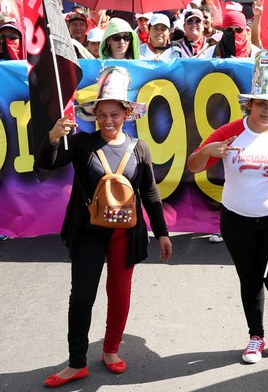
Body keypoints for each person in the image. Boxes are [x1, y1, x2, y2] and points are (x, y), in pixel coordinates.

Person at [36, 66, 172, 388]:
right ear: (94, 115)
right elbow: (45, 164)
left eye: (114, 114)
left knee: (119, 294)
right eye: (102, 115)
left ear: (126, 113)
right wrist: (53, 137)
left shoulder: (139, 148)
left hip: (126, 234)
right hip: (88, 233)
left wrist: (162, 232)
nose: (108, 121)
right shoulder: (81, 143)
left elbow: (150, 192)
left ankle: (111, 350)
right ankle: (76, 363)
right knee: (82, 297)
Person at [186, 51, 268, 365]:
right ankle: (256, 337)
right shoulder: (230, 133)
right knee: (250, 280)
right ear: (249, 105)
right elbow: (193, 166)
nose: (267, 111)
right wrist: (209, 150)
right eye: (261, 104)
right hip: (237, 220)